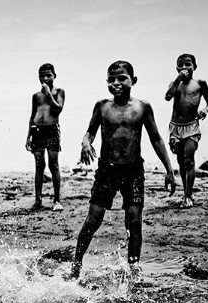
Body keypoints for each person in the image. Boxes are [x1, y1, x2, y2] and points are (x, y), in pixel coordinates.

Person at [70, 60, 176, 279]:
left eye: (121, 78)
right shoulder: (102, 106)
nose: (116, 83)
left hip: (133, 172)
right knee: (93, 219)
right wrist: (85, 142)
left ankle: (134, 270)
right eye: (111, 79)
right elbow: (89, 132)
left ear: (133, 81)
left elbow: (156, 138)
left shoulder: (142, 107)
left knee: (134, 222)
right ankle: (76, 264)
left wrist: (169, 169)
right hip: (107, 171)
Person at [164, 53, 208, 208]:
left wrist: (205, 110)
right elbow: (167, 97)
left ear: (195, 67)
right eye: (181, 65)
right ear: (177, 67)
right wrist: (178, 79)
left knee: (189, 160)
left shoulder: (200, 83)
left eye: (188, 64)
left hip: (192, 127)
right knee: (180, 160)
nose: (184, 68)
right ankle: (186, 191)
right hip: (176, 127)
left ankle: (188, 194)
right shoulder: (174, 83)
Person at [25, 63, 66, 212]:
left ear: (54, 76)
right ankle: (38, 201)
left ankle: (57, 200)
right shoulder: (36, 96)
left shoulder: (59, 91)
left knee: (53, 165)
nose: (45, 78)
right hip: (37, 131)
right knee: (39, 166)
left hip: (51, 131)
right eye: (42, 76)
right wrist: (28, 136)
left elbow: (58, 109)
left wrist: (49, 94)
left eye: (48, 75)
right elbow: (32, 116)